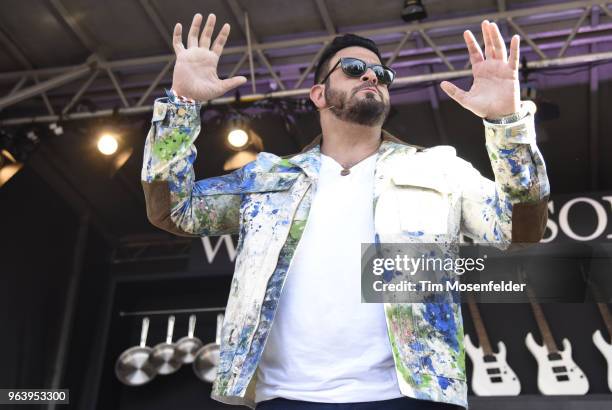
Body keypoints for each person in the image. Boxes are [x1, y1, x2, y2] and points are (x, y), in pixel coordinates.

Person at [141, 13, 550, 410]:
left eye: (381, 74)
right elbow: (175, 209)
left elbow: (519, 229)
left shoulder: (437, 167)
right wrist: (182, 105)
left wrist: (506, 124)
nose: (372, 76)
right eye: (354, 69)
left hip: (410, 396)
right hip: (286, 397)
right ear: (319, 94)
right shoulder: (268, 177)